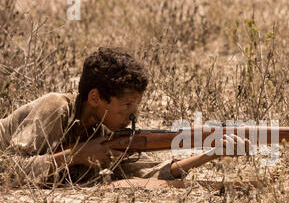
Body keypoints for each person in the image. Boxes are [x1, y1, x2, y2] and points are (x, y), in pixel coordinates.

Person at [0, 47, 249, 187]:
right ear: (95, 98)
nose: (133, 114)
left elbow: (147, 174)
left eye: (137, 104)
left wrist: (211, 154)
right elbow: (8, 169)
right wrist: (76, 155)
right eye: (127, 104)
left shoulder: (106, 127)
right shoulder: (56, 108)